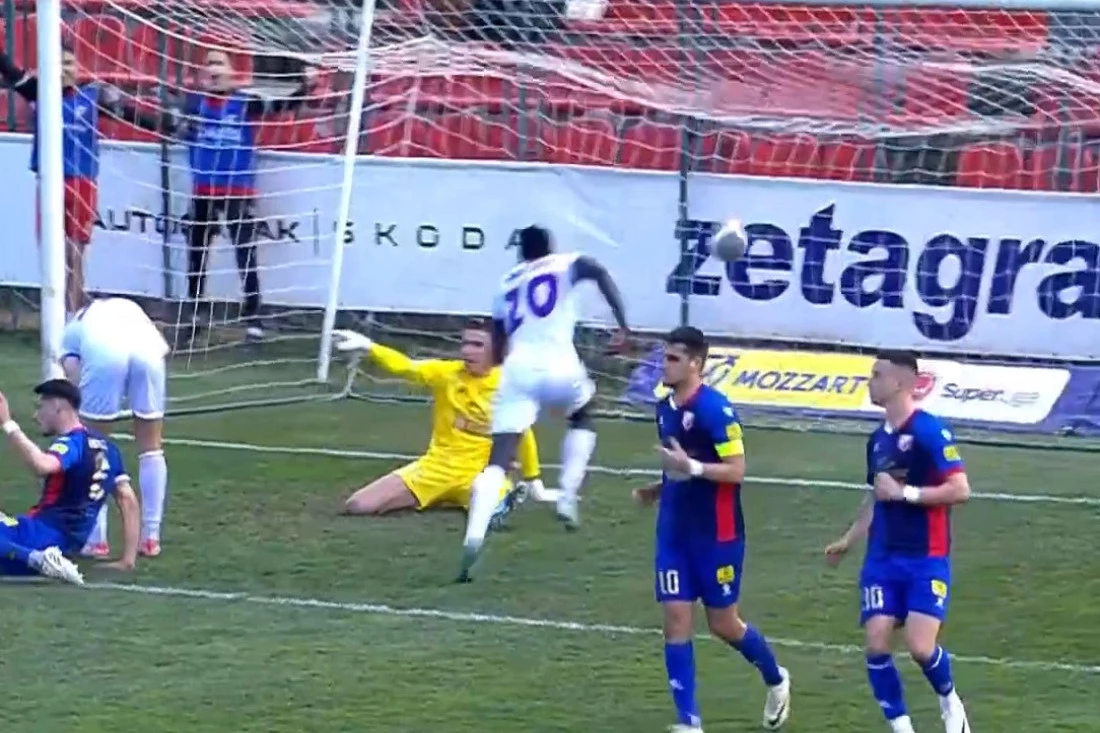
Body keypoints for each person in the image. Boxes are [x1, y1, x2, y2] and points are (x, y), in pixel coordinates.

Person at [634, 327, 791, 732]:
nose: (664, 365)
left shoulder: (715, 410)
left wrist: (691, 467)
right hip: (674, 532)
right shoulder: (664, 408)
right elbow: (678, 464)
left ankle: (776, 678)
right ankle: (689, 722)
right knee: (676, 620)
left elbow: (737, 471)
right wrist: (659, 487)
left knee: (724, 625)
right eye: (664, 357)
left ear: (696, 364)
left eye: (673, 359)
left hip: (717, 535)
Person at [457, 224, 629, 582]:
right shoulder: (565, 263)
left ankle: (474, 536)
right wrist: (623, 325)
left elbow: (499, 344)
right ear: (550, 246)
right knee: (583, 413)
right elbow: (598, 271)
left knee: (498, 459)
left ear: (521, 252)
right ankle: (567, 493)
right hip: (560, 364)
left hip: (518, 369)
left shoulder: (505, 283)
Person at [825, 351, 972, 733]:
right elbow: (876, 495)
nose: (870, 382)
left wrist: (906, 494)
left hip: (926, 556)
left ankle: (949, 699)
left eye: (877, 375)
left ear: (901, 383)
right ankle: (902, 727)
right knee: (876, 644)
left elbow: (960, 489)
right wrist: (849, 538)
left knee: (921, 648)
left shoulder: (929, 432)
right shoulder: (877, 440)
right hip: (882, 558)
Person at [0, 44, 161, 317]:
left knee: (74, 254)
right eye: (57, 63)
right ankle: (58, 313)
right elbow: (10, 70)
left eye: (69, 63)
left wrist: (167, 124)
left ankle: (72, 315)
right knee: (52, 253)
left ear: (77, 69)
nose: (63, 70)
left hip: (82, 183)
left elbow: (132, 115)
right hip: (49, 183)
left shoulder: (92, 97)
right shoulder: (38, 92)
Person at [333, 321, 546, 519]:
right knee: (358, 505)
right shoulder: (446, 373)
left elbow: (523, 433)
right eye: (465, 343)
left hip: (481, 472)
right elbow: (407, 367)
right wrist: (369, 347)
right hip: (436, 467)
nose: (467, 351)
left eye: (477, 345)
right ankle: (445, 494)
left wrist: (532, 477)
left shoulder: (510, 385)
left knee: (488, 510)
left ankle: (497, 495)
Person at [175, 49, 317, 341]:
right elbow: (173, 126)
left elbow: (282, 106)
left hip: (237, 190)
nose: (213, 69)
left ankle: (253, 318)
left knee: (245, 253)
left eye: (219, 63)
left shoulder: (245, 102)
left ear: (231, 72)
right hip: (203, 189)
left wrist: (306, 87)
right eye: (209, 64)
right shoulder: (193, 104)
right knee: (197, 254)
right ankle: (195, 314)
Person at [60, 297, 170, 559]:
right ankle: (151, 538)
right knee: (151, 448)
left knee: (93, 445)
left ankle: (96, 539)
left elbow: (73, 376)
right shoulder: (129, 307)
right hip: (148, 351)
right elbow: (161, 349)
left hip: (105, 354)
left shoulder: (72, 327)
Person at [0, 379, 141, 585]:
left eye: (41, 407)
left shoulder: (72, 443)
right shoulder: (108, 448)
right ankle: (40, 559)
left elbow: (42, 465)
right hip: (68, 542)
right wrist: (128, 560)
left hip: (42, 534)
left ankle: (38, 560)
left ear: (58, 406)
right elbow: (127, 499)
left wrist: (8, 424)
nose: (36, 416)